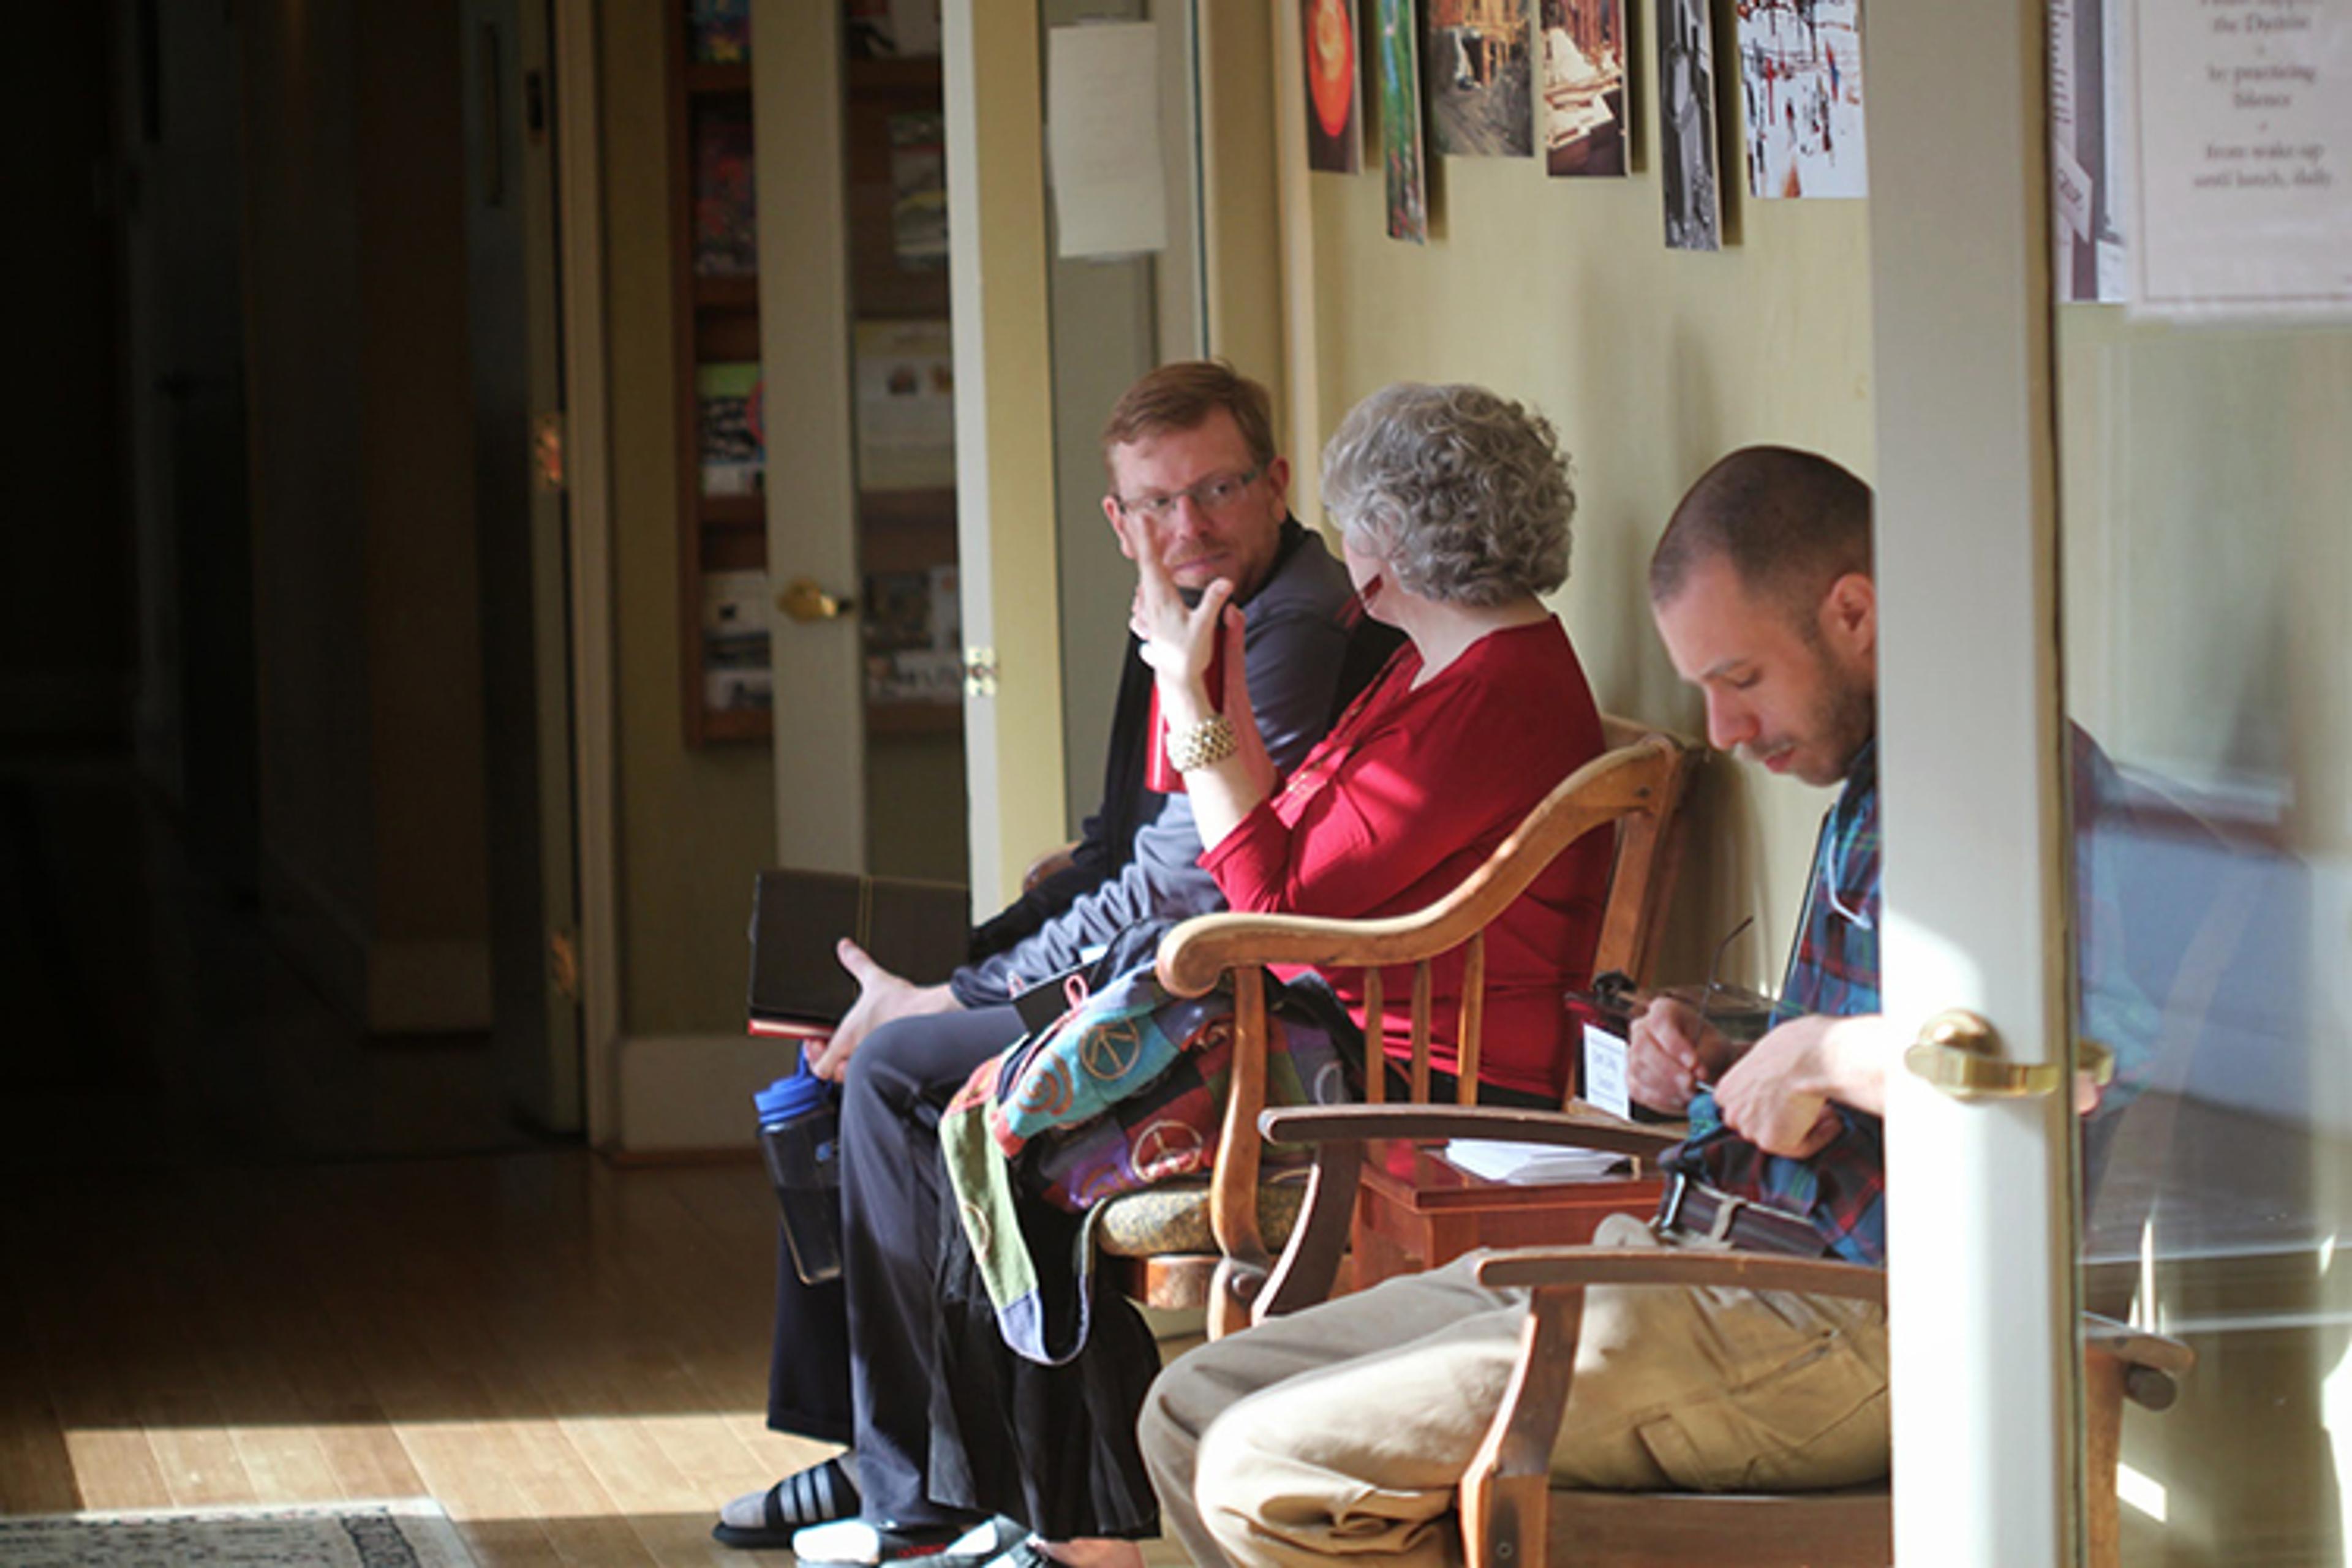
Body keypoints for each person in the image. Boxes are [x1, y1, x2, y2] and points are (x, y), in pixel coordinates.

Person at [1137, 445, 2154, 1568]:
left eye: (1740, 679)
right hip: (1691, 1257)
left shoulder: (2003, 788)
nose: (1719, 731)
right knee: (1195, 1402)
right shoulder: (1879, 781)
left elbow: (2070, 1063)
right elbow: (1890, 1052)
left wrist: (1816, 1052)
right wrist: (1734, 1057)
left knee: (1269, 1469)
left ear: (1853, 613)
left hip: (1848, 1322)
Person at [793, 383, 1616, 1568]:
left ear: (1398, 538)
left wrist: (1190, 699)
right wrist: (1202, 696)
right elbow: (1272, 850)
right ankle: (1047, 1522)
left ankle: (1072, 1535)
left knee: (1016, 1136)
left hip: (1400, 1058)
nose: (1349, 556)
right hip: (1322, 1012)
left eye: (1358, 525)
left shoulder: (1488, 692)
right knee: (1007, 1121)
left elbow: (1267, 894)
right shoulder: (1438, 667)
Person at [714, 361, 1374, 1551]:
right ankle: (875, 1452)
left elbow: (1185, 882)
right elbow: (1130, 845)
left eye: (1218, 487)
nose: (1192, 523)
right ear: (1119, 521)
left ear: (1276, 482)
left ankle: (921, 1490)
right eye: (1157, 504)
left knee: (896, 1067)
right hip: (1151, 949)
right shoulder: (1184, 602)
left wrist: (951, 992)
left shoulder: (1284, 628)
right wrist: (987, 939)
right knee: (836, 1038)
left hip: (1213, 996)